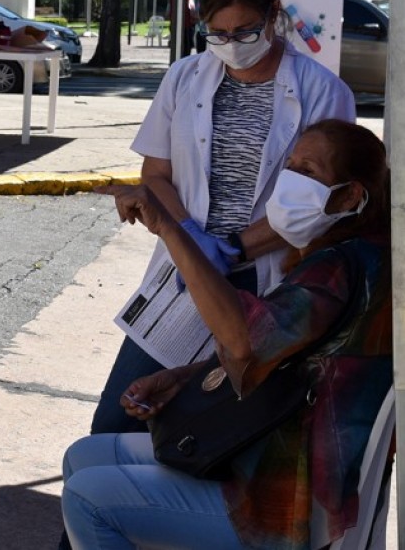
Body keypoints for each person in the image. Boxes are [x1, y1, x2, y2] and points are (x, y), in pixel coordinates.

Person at [62, 119, 392, 549]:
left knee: (89, 499)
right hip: (268, 458)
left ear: (350, 196)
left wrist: (169, 229)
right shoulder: (350, 255)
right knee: (84, 456)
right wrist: (185, 377)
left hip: (285, 499)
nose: (291, 180)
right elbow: (284, 351)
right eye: (291, 167)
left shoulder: (341, 268)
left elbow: (244, 340)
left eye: (308, 171)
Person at [89, 0, 356, 439]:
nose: (232, 45)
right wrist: (191, 237)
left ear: (273, 13)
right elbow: (156, 173)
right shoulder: (185, 76)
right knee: (117, 422)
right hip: (184, 275)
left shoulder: (323, 92)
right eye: (218, 34)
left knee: (219, 433)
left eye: (246, 32)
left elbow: (317, 205)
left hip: (266, 282)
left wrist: (232, 248)